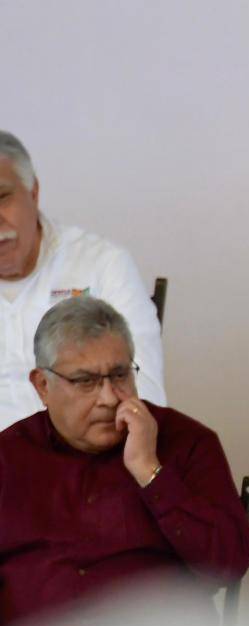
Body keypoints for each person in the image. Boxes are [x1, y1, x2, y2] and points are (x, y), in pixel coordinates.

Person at [0, 297, 249, 626]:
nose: (107, 397)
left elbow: (228, 565)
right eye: (85, 381)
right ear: (43, 386)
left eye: (119, 375)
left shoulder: (186, 442)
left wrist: (150, 471)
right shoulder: (9, 456)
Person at [0, 131, 165, 430]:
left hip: (80, 462)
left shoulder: (102, 265)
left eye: (2, 197)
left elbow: (145, 398)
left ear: (33, 192)